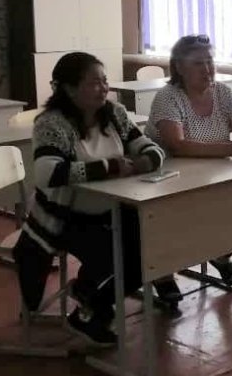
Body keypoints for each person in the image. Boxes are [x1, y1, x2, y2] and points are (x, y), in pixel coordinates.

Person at [12, 52, 165, 347]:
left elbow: (150, 148)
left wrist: (146, 160)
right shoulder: (52, 123)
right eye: (94, 83)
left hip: (115, 209)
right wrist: (110, 167)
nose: (103, 88)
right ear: (70, 89)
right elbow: (47, 173)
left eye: (105, 81)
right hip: (65, 217)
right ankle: (90, 305)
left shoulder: (115, 113)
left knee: (151, 252)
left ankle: (90, 302)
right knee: (114, 257)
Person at [144, 34, 232, 299]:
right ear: (179, 67)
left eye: (209, 61)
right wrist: (230, 149)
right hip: (169, 179)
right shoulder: (167, 97)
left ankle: (220, 253)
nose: (207, 69)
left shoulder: (223, 93)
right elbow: (178, 146)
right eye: (198, 63)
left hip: (212, 174)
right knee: (173, 217)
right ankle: (162, 274)